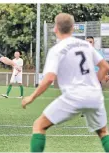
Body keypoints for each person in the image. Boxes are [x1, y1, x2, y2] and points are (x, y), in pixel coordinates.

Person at [21, 13, 109, 152]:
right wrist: (94, 83)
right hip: (95, 95)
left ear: (55, 28)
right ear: (73, 28)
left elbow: (49, 78)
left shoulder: (56, 50)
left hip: (74, 96)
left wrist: (31, 97)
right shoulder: (86, 45)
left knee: (39, 126)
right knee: (103, 132)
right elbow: (105, 67)